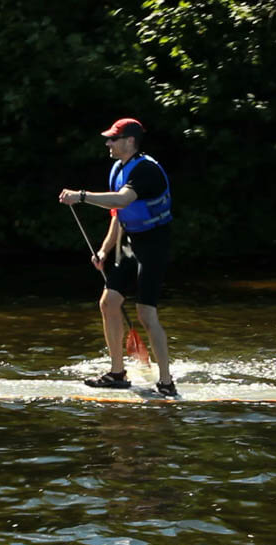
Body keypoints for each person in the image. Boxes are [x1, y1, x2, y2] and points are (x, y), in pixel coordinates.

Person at [58, 118, 176, 397]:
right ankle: (117, 373)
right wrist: (104, 251)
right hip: (131, 243)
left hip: (154, 245)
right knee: (108, 303)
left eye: (114, 138)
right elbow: (119, 215)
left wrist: (82, 196)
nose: (108, 143)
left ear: (130, 141)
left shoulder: (146, 170)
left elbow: (122, 200)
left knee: (146, 313)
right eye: (109, 138)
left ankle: (167, 382)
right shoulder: (118, 168)